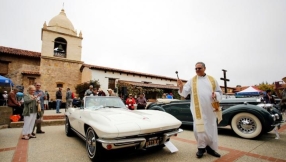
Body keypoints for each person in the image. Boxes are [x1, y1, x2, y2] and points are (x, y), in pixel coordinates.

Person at [177, 62, 222, 158]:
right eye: (196, 68)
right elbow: (184, 93)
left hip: (210, 109)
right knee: (199, 129)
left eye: (199, 68)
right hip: (198, 109)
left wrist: (216, 95)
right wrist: (181, 86)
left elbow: (219, 92)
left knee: (211, 128)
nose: (197, 70)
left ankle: (211, 148)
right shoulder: (192, 80)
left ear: (204, 68)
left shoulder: (212, 80)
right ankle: (201, 148)